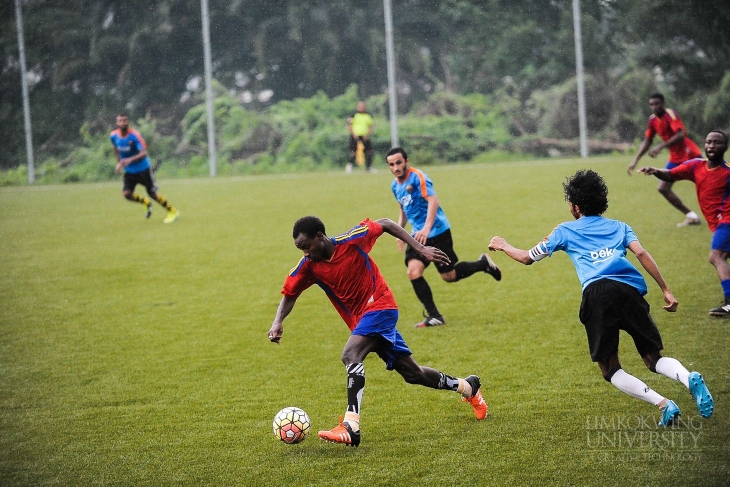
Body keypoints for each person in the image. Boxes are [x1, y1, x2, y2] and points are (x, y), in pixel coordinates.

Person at [488, 169, 713, 426]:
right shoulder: (620, 226)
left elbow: (527, 257)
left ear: (575, 206)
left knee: (610, 369)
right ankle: (688, 377)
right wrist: (666, 289)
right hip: (630, 292)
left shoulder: (564, 231)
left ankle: (663, 404)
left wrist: (503, 244)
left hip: (597, 294)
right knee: (654, 358)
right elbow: (641, 254)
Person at [267, 216, 488, 447]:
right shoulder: (309, 267)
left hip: (381, 307)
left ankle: (351, 426)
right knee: (413, 374)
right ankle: (468, 387)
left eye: (306, 246)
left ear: (320, 237)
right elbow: (290, 293)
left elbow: (385, 223)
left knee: (350, 355)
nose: (304, 253)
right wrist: (277, 321)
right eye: (300, 248)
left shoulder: (351, 241)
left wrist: (420, 247)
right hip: (363, 321)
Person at [387, 147, 502, 328]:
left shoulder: (419, 177)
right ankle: (434, 316)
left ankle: (483, 264)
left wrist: (427, 227)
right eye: (391, 164)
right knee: (413, 272)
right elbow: (404, 209)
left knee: (449, 276)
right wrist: (399, 231)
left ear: (407, 161)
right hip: (417, 235)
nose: (396, 167)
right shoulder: (395, 186)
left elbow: (433, 201)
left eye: (399, 163)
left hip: (438, 231)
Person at [640, 130, 730, 316]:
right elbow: (671, 174)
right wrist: (656, 171)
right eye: (708, 142)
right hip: (717, 223)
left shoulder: (728, 172)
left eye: (717, 143)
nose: (712, 146)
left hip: (727, 221)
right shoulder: (696, 166)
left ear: (725, 147)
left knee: (716, 256)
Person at [627, 92, 702, 227]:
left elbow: (681, 134)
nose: (654, 107)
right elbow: (648, 140)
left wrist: (661, 146)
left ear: (663, 104)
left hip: (690, 155)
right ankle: (692, 217)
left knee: (707, 185)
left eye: (657, 104)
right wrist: (635, 160)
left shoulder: (670, 114)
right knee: (663, 188)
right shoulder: (652, 120)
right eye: (651, 104)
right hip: (675, 158)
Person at [110, 113, 180, 223]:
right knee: (127, 194)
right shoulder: (113, 136)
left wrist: (129, 160)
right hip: (129, 171)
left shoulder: (135, 135)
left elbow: (143, 153)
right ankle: (145, 202)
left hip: (143, 169)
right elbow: (115, 148)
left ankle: (172, 211)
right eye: (120, 121)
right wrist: (119, 163)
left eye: (124, 120)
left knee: (152, 194)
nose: (122, 123)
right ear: (117, 122)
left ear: (128, 122)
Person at [346, 101, 375, 173]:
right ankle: (350, 166)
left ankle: (368, 167)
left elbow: (371, 126)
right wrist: (353, 133)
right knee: (353, 152)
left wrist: (368, 135)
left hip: (365, 136)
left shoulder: (368, 116)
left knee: (369, 151)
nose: (362, 107)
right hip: (355, 136)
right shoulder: (353, 115)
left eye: (363, 106)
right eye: (360, 106)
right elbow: (348, 125)